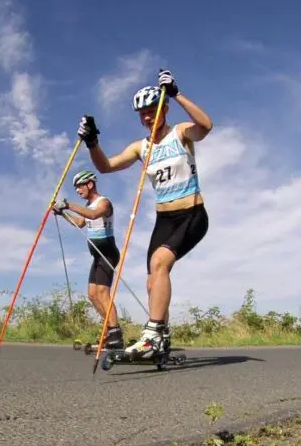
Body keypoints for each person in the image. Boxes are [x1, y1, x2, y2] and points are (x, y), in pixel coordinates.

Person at [75, 68, 213, 359]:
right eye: (142, 114)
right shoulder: (141, 147)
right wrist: (92, 142)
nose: (147, 117)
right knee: (152, 278)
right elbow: (106, 167)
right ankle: (160, 335)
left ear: (164, 109)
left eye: (153, 110)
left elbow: (206, 125)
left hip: (191, 213)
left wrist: (176, 94)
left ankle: (151, 334)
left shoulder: (180, 133)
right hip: (164, 219)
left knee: (160, 263)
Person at [52, 170, 124, 350]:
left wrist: (67, 204)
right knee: (92, 294)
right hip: (97, 255)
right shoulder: (87, 205)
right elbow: (80, 223)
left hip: (107, 252)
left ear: (89, 184)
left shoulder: (103, 202)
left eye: (79, 186)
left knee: (102, 292)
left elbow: (94, 215)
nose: (77, 190)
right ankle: (109, 329)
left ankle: (116, 333)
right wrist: (62, 214)